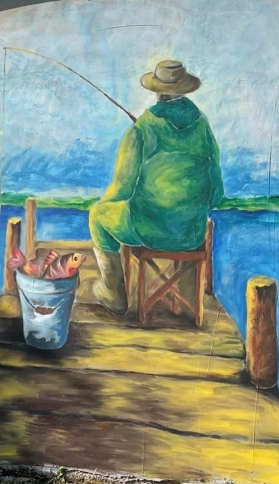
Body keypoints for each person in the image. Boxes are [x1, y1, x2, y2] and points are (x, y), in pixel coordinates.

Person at [84, 60, 224, 314]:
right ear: (185, 90)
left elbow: (121, 190)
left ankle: (114, 293)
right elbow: (217, 194)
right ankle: (187, 302)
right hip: (190, 233)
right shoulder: (203, 127)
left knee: (97, 216)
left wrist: (107, 206)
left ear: (156, 91)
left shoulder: (141, 129)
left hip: (148, 230)